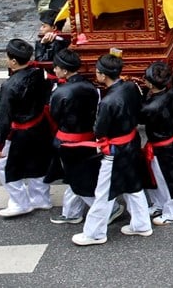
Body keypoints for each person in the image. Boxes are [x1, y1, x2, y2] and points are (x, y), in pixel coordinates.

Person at [73, 52, 153, 246]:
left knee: (104, 192)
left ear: (102, 75)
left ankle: (95, 233)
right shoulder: (131, 87)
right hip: (131, 141)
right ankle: (141, 224)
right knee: (132, 185)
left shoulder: (108, 102)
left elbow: (100, 130)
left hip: (115, 148)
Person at [0, 38, 54, 218]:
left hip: (21, 130)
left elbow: (3, 116)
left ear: (13, 61)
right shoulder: (39, 73)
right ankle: (41, 198)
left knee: (5, 166)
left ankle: (20, 202)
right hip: (40, 125)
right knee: (38, 162)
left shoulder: (10, 86)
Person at [46, 49, 102, 225]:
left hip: (69, 140)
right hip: (87, 136)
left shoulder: (60, 92)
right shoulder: (91, 87)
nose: (54, 70)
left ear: (64, 70)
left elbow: (55, 115)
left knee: (76, 178)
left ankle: (109, 209)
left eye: (56, 68)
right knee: (77, 176)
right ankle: (71, 212)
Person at [139, 62, 173, 226]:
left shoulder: (150, 107)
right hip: (170, 139)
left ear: (150, 84)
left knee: (167, 178)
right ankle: (160, 205)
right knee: (159, 177)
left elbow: (139, 117)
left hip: (161, 145)